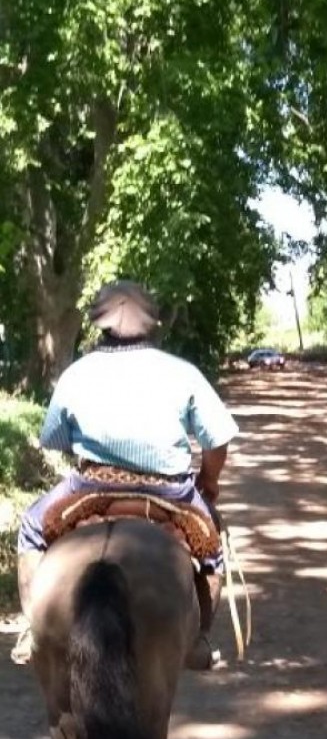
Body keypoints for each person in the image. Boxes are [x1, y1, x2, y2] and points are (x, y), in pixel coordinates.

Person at [13, 279, 239, 671]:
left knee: (31, 528)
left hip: (91, 486)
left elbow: (53, 439)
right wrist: (209, 482)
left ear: (100, 324)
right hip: (169, 489)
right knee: (210, 549)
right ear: (152, 324)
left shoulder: (77, 374)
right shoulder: (181, 372)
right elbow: (217, 442)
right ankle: (197, 640)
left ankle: (36, 632)